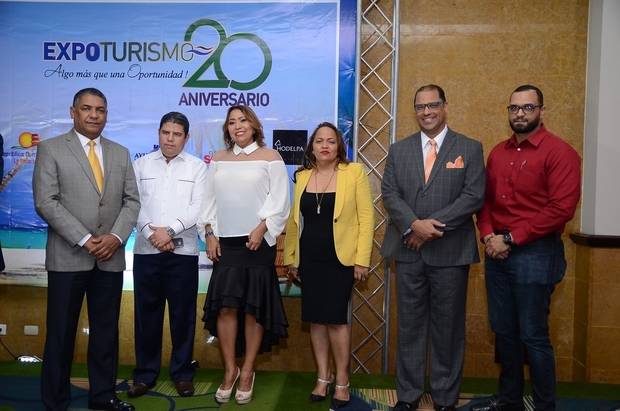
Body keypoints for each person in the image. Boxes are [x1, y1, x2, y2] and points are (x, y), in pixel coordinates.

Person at [473, 85, 581, 411]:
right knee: (504, 332)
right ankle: (509, 402)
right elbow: (486, 203)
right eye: (514, 108)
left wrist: (511, 238)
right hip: (497, 252)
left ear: (541, 111)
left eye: (528, 108)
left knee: (533, 335)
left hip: (536, 252)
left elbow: (561, 209)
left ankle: (545, 405)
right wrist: (490, 236)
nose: (520, 113)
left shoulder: (560, 152)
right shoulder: (498, 153)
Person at [33, 88, 140, 411]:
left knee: (106, 333)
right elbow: (45, 201)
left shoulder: (120, 153)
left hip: (110, 258)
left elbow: (132, 201)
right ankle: (55, 401)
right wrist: (84, 238)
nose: (94, 115)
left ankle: (103, 395)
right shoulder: (51, 149)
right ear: (73, 112)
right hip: (68, 256)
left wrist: (116, 238)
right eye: (87, 109)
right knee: (61, 335)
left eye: (101, 110)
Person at [381, 84, 485, 411]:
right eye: (420, 106)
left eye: (433, 105)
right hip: (409, 252)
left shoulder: (468, 148)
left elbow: (473, 197)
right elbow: (390, 193)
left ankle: (444, 397)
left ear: (445, 107)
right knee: (409, 327)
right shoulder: (399, 150)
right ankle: (408, 395)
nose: (426, 112)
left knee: (448, 329)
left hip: (450, 254)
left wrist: (427, 228)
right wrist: (414, 224)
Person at [198, 105, 290, 405]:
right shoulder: (218, 160)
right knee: (225, 308)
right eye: (231, 122)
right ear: (227, 129)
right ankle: (230, 369)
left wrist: (263, 228)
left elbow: (280, 201)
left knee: (253, 309)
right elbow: (207, 202)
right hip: (226, 246)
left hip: (257, 244)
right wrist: (209, 234)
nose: (237, 126)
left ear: (254, 125)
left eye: (243, 120)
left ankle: (248, 370)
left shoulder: (271, 157)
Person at [283, 122, 374, 409]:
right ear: (311, 147)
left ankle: (343, 380)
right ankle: (323, 377)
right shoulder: (302, 176)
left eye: (331, 141)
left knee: (335, 320)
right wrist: (291, 258)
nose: (324, 145)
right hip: (309, 259)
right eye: (319, 141)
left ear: (339, 147)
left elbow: (366, 219)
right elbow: (293, 221)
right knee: (315, 321)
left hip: (340, 260)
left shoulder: (354, 173)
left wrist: (362, 259)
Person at [127, 112, 207, 398]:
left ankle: (182, 374)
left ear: (185, 137)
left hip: (182, 252)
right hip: (147, 251)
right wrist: (151, 233)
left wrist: (169, 231)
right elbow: (132, 202)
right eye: (165, 133)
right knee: (146, 315)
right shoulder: (140, 165)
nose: (170, 139)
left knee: (182, 315)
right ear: (158, 133)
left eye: (176, 134)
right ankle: (145, 374)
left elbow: (198, 206)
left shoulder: (198, 168)